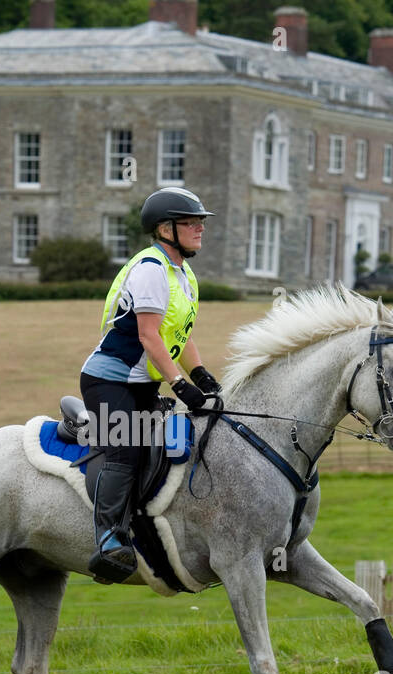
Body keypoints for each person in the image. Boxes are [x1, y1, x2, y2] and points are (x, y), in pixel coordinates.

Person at [79, 186, 222, 584]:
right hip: (109, 380)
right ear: (165, 228)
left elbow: (179, 334)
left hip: (142, 382)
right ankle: (108, 538)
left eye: (200, 222)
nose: (199, 228)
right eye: (191, 222)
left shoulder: (183, 273)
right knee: (126, 447)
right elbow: (148, 337)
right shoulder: (150, 270)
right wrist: (180, 386)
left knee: (178, 441)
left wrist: (202, 376)